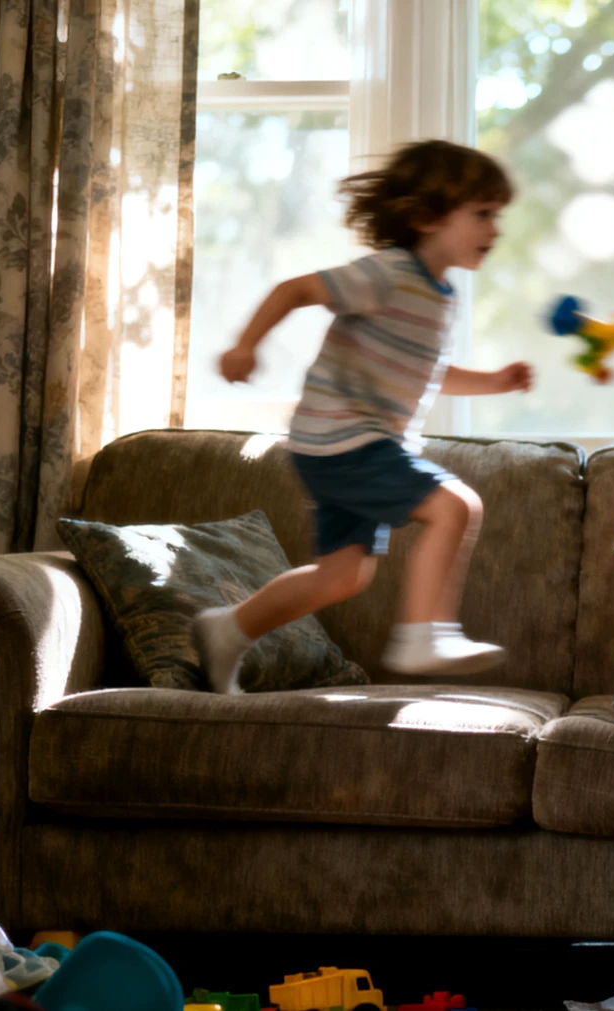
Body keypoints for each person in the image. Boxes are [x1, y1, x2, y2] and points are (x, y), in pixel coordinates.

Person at [191, 140, 533, 693]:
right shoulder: (389, 273)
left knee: (342, 576)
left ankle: (228, 630)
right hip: (342, 438)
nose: (495, 228)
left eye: (497, 215)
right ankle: (424, 634)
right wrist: (245, 345)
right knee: (455, 507)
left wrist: (494, 382)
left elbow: (427, 370)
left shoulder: (439, 296)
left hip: (342, 446)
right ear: (426, 216)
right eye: (483, 214)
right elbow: (296, 288)